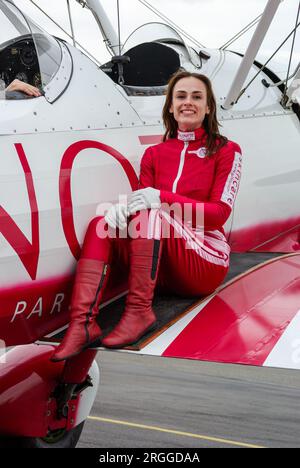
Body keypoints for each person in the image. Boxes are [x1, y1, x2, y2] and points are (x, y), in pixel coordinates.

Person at [51, 70, 242, 362]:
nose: (187, 102)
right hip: (161, 263)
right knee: (101, 224)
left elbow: (218, 215)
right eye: (180, 96)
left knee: (152, 215)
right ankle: (82, 325)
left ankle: (138, 312)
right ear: (170, 106)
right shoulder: (154, 154)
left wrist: (161, 199)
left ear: (208, 107)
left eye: (196, 96)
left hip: (205, 261)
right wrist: (123, 209)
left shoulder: (226, 150)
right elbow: (143, 205)